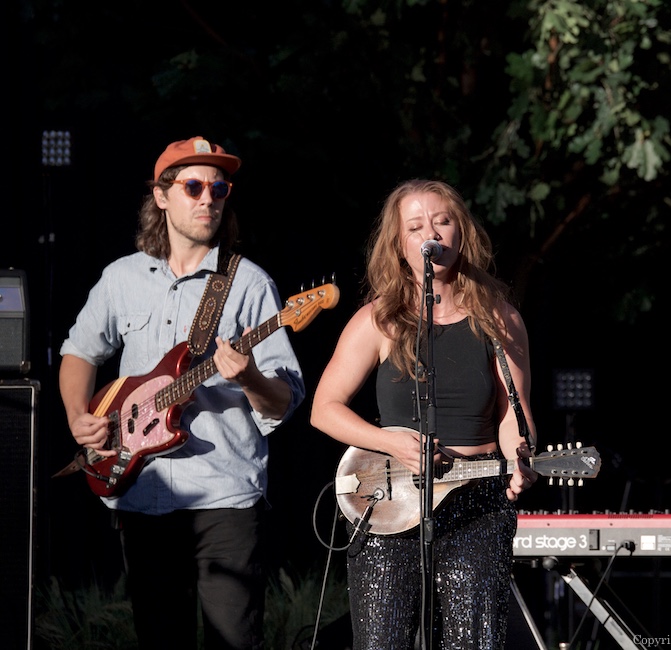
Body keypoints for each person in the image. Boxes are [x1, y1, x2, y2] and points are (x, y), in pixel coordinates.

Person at [58, 136, 305, 650]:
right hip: (143, 491)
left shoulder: (249, 284)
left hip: (226, 496)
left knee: (233, 642)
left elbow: (284, 400)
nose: (208, 198)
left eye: (219, 188)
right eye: (193, 186)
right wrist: (77, 416)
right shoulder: (120, 278)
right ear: (162, 196)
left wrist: (248, 378)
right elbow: (79, 352)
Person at [310, 179, 538, 649]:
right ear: (400, 244)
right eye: (415, 226)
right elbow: (323, 409)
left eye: (441, 220)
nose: (430, 232)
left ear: (460, 231)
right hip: (389, 504)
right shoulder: (379, 320)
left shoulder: (500, 318)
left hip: (477, 502)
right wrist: (390, 441)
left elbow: (514, 410)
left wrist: (522, 452)